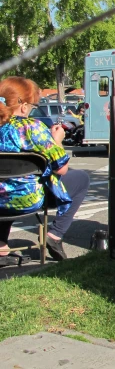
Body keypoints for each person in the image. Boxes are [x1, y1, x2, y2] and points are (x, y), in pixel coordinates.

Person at [0, 77, 90, 266]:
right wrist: (56, 139)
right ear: (23, 106)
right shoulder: (33, 128)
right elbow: (61, 168)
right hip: (29, 199)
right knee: (80, 178)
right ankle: (55, 235)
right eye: (33, 106)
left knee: (7, 181)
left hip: (2, 198)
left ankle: (1, 246)